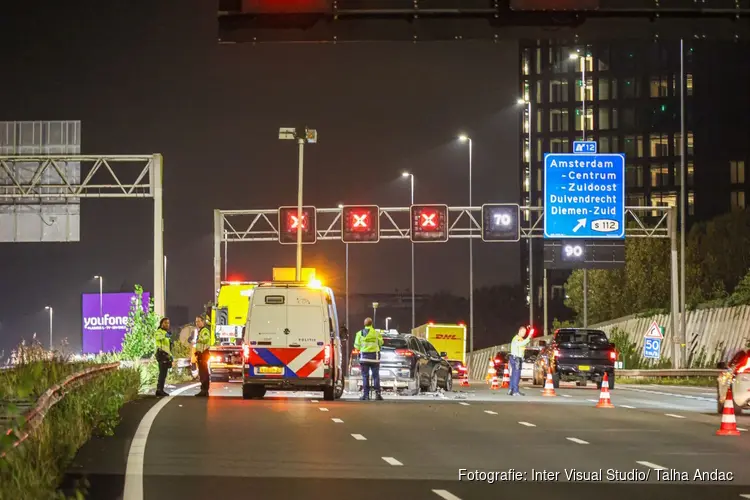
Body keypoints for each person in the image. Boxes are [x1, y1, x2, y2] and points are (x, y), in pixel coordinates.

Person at [354, 317, 384, 401]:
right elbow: (381, 343)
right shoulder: (376, 333)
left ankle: (366, 395)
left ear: (364, 324)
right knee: (376, 376)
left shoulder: (359, 333)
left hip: (364, 358)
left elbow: (356, 346)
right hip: (375, 358)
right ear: (371, 324)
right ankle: (377, 394)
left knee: (365, 376)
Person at [509, 325, 534, 396]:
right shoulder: (518, 338)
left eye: (525, 332)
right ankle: (515, 391)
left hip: (515, 358)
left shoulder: (518, 338)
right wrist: (529, 336)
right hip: (517, 359)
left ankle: (511, 390)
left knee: (514, 375)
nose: (524, 333)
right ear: (519, 331)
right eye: (523, 331)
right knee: (517, 375)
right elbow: (521, 344)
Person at [154, 317, 173, 397]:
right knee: (162, 373)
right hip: (161, 355)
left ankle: (160, 389)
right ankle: (159, 390)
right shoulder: (159, 332)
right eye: (165, 323)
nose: (167, 324)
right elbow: (158, 338)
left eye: (168, 323)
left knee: (164, 374)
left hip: (166, 355)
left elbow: (167, 347)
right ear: (161, 324)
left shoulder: (166, 333)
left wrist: (171, 356)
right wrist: (166, 335)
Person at [194, 315, 212, 397]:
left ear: (203, 322)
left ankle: (204, 390)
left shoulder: (204, 331)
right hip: (201, 354)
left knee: (204, 373)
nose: (197, 323)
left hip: (204, 354)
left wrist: (198, 340)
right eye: (196, 321)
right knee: (202, 372)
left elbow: (206, 339)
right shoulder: (200, 331)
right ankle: (204, 389)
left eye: (198, 321)